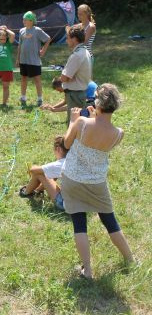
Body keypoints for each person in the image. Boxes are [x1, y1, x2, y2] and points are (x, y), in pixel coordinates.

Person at [60, 84, 134, 279]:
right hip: (97, 183)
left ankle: (87, 269)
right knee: (110, 220)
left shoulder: (82, 123)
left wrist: (73, 121)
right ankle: (130, 259)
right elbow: (98, 137)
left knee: (79, 222)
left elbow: (66, 144)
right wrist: (93, 119)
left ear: (97, 103)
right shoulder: (119, 133)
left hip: (72, 178)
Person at [18, 136, 68, 210]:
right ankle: (38, 190)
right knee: (51, 172)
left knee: (40, 173)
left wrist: (35, 167)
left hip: (66, 204)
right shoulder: (78, 160)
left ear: (58, 149)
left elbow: (33, 170)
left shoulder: (61, 164)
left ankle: (26, 192)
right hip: (84, 202)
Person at [16, 11, 51, 107]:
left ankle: (40, 98)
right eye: (23, 19)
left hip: (34, 60)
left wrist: (43, 50)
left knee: (37, 79)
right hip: (23, 60)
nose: (23, 21)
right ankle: (23, 96)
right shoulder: (21, 30)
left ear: (31, 21)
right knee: (23, 78)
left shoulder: (37, 30)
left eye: (25, 19)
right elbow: (20, 45)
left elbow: (48, 39)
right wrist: (18, 59)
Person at [60, 25, 92, 125]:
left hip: (75, 95)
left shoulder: (76, 55)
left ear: (74, 39)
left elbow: (64, 78)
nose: (66, 41)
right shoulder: (85, 51)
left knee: (74, 125)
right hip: (80, 93)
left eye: (68, 38)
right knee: (79, 124)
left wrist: (67, 76)